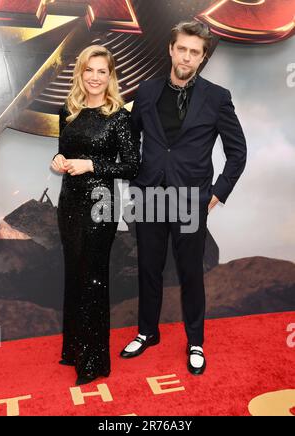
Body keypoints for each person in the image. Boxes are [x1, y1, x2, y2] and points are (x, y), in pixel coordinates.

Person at [120, 21, 247, 375]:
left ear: (202, 58)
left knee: (191, 272)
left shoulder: (217, 97)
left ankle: (195, 341)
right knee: (148, 269)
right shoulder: (145, 92)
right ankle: (147, 332)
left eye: (195, 52)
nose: (187, 57)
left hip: (192, 199)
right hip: (149, 196)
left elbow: (238, 152)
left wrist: (217, 193)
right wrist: (136, 181)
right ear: (171, 50)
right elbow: (131, 143)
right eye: (182, 49)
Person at [51, 45, 140, 386]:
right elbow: (63, 152)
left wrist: (93, 165)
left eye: (102, 71)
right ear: (81, 73)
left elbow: (133, 165)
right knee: (74, 274)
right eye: (89, 70)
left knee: (93, 279)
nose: (94, 77)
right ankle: (73, 348)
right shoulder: (68, 111)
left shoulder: (118, 116)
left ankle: (93, 361)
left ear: (110, 76)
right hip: (69, 203)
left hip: (101, 203)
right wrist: (57, 162)